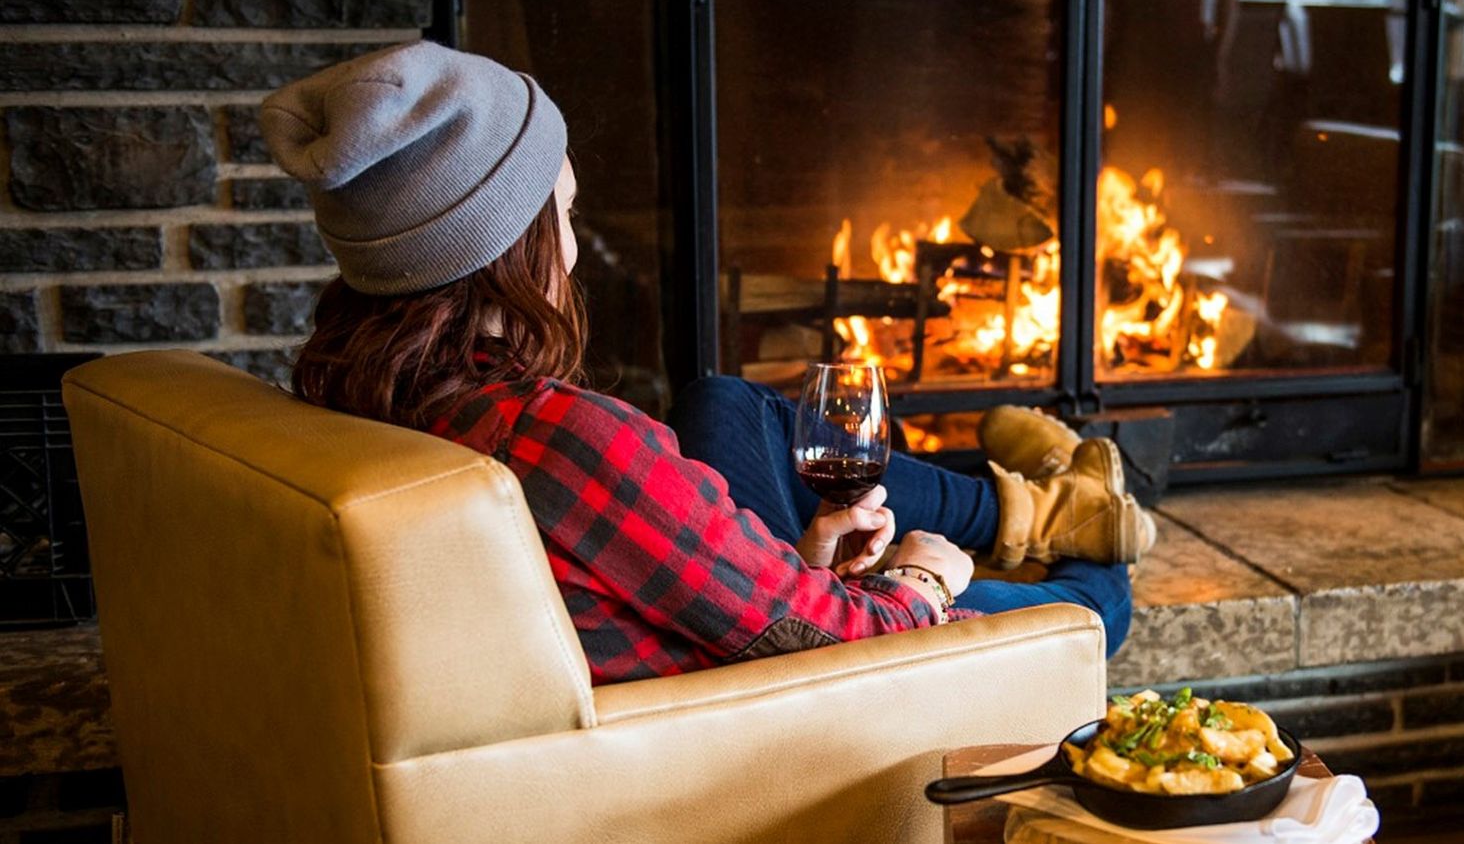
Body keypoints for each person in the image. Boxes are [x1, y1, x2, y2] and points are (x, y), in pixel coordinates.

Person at [261, 41, 1149, 685]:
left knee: (723, 400)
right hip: (793, 697)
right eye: (565, 214)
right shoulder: (564, 438)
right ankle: (1068, 512)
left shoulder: (361, 398)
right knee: (1099, 599)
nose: (575, 247)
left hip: (735, 640)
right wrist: (921, 578)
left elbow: (695, 591)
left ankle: (1044, 502)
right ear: (511, 246)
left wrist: (799, 564)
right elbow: (844, 642)